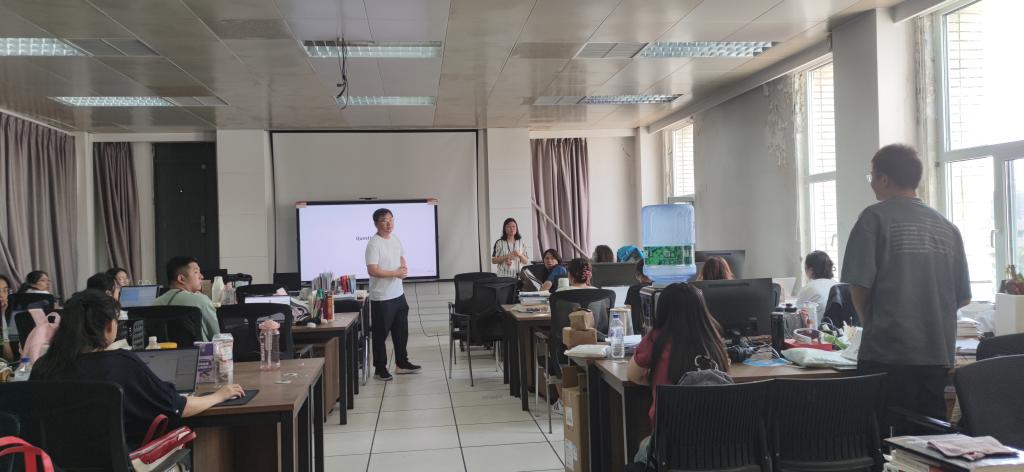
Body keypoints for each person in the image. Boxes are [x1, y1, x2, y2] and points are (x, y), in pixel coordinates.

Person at [842, 144, 971, 433]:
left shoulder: (873, 218)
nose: (872, 184)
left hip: (887, 354)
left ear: (884, 178)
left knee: (884, 441)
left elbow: (859, 284)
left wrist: (870, 322)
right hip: (936, 356)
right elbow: (962, 298)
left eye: (872, 177)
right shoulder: (948, 228)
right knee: (927, 444)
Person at [30, 290, 244, 449]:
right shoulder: (122, 364)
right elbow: (179, 407)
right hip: (121, 463)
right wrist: (219, 395)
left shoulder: (43, 368)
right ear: (110, 326)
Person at [627, 283, 730, 465]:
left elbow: (632, 375)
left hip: (671, 446)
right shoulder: (714, 340)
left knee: (642, 450)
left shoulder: (655, 339)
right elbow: (725, 375)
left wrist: (656, 378)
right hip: (720, 447)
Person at [365, 208, 421, 381]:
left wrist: (403, 268)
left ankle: (401, 363)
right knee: (380, 335)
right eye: (384, 220)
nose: (388, 223)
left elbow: (401, 256)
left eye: (391, 219)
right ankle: (379, 369)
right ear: (376, 224)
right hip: (382, 297)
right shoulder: (374, 244)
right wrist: (395, 273)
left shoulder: (395, 238)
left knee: (401, 332)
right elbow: (372, 270)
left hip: (398, 294)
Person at [151, 257, 220, 342]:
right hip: (199, 350)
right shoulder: (201, 301)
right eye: (196, 272)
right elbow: (218, 337)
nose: (201, 276)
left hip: (161, 350)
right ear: (181, 279)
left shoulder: (155, 304)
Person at [795, 251, 837, 320]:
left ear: (811, 270)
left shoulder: (809, 288)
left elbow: (797, 312)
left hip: (818, 326)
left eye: (805, 268)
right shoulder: (837, 285)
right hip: (841, 326)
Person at [624, 260, 654, 332]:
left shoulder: (633, 290)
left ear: (637, 274)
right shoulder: (659, 289)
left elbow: (627, 313)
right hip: (655, 332)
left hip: (636, 333)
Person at [0, 274, 13, 361]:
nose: (1, 295)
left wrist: (2, 315)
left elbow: (9, 358)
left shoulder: (9, 313)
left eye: (5, 290)